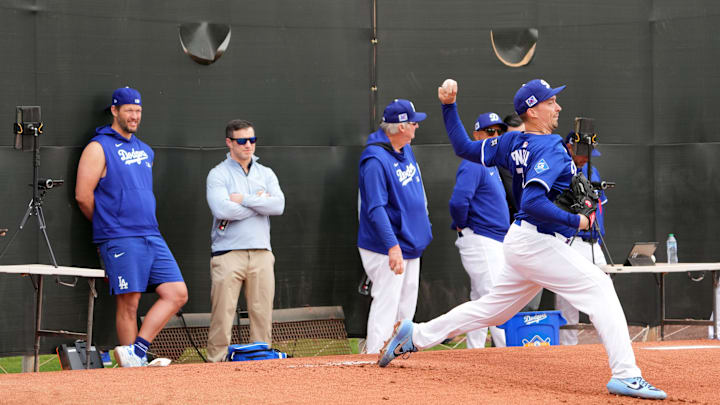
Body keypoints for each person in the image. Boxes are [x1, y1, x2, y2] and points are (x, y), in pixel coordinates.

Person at [378, 79, 667, 400]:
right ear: (532, 109)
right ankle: (626, 374)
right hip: (535, 242)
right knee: (600, 286)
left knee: (492, 311)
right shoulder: (551, 147)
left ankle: (415, 334)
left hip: (523, 242)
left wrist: (449, 107)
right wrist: (578, 219)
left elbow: (462, 147)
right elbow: (532, 202)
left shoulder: (509, 141)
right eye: (550, 102)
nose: (557, 107)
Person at [75, 87, 188, 367]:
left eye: (138, 111)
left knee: (177, 293)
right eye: (129, 110)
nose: (134, 116)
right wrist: (108, 224)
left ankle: (137, 351)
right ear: (115, 111)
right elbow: (82, 196)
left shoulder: (145, 149)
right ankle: (132, 373)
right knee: (130, 302)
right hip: (119, 237)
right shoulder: (98, 147)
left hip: (151, 233)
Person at [205, 119, 285, 362]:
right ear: (229, 143)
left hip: (261, 252)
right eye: (242, 141)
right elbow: (223, 210)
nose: (248, 145)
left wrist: (243, 199)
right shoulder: (218, 173)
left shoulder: (266, 172)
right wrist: (260, 203)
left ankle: (261, 361)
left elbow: (278, 205)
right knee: (223, 314)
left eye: (252, 140)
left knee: (262, 313)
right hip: (228, 253)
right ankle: (216, 362)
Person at [358, 99, 433, 354]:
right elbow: (375, 208)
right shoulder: (375, 160)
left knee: (406, 306)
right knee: (387, 302)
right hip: (387, 245)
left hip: (410, 242)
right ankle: (374, 354)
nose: (417, 127)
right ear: (401, 127)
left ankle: (399, 351)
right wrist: (392, 246)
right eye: (414, 123)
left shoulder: (405, 148)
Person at [448, 112, 508, 349]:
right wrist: (463, 224)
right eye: (490, 131)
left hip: (492, 240)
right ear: (476, 135)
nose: (495, 136)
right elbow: (458, 201)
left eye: (499, 132)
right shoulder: (474, 161)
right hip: (481, 238)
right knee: (497, 301)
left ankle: (475, 353)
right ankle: (508, 355)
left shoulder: (489, 162)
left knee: (481, 299)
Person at [556, 132, 609, 345]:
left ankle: (607, 345)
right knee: (568, 300)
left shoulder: (591, 170)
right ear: (570, 148)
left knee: (605, 294)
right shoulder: (561, 169)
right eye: (583, 153)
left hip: (594, 243)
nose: (587, 157)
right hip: (571, 241)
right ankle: (568, 348)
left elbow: (600, 208)